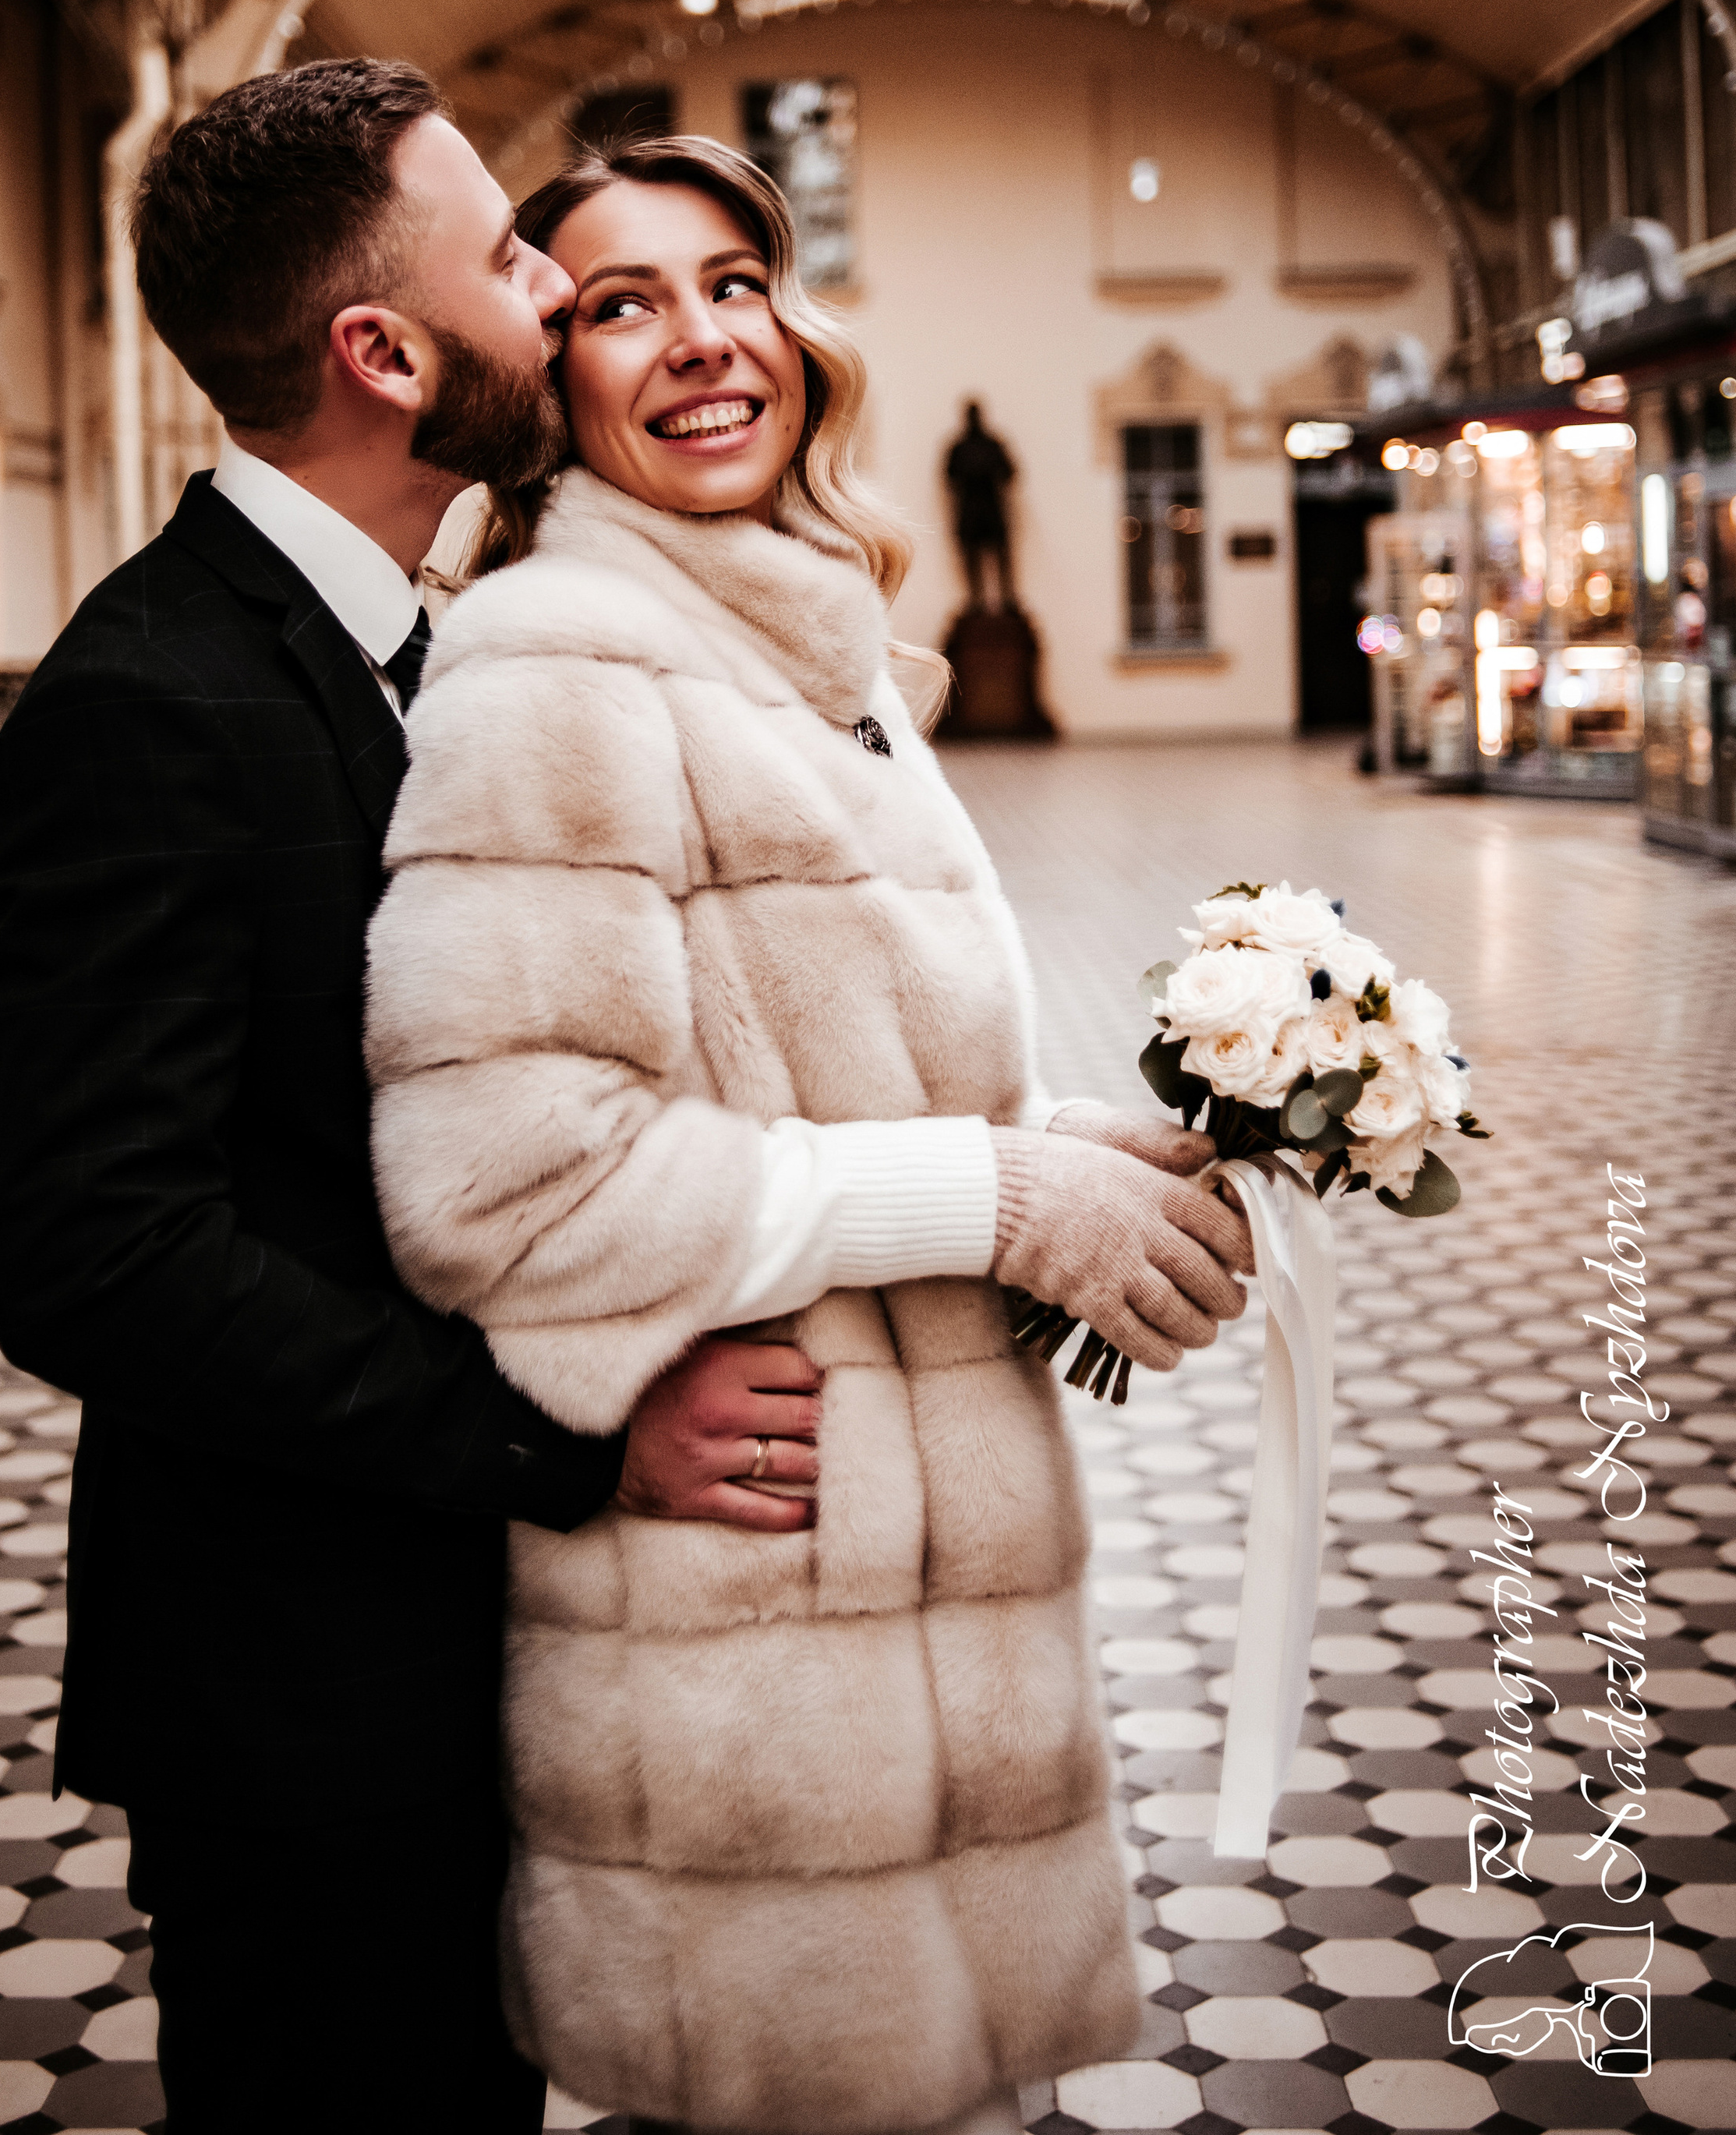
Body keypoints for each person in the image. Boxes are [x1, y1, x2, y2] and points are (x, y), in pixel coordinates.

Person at [0, 62, 831, 2135]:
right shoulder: (148, 704)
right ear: (384, 349)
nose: (557, 286)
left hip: (460, 1652)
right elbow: (101, 1263)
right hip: (303, 1703)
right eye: (520, 259)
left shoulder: (423, 650)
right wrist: (574, 1437)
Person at [366, 131, 1256, 2135]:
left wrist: (1094, 1153)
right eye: (616, 303)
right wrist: (996, 1193)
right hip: (758, 1671)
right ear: (551, 373)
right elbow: (505, 1176)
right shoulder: (554, 665)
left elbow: (842, 1092)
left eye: (731, 283)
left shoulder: (818, 655)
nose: (696, 340)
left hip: (926, 1641)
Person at [946, 397, 1018, 609]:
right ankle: (975, 601)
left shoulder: (993, 444)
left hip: (991, 507)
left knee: (1001, 556)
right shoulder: (959, 448)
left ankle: (1007, 599)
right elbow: (950, 477)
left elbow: (1009, 472)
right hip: (970, 509)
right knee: (972, 559)